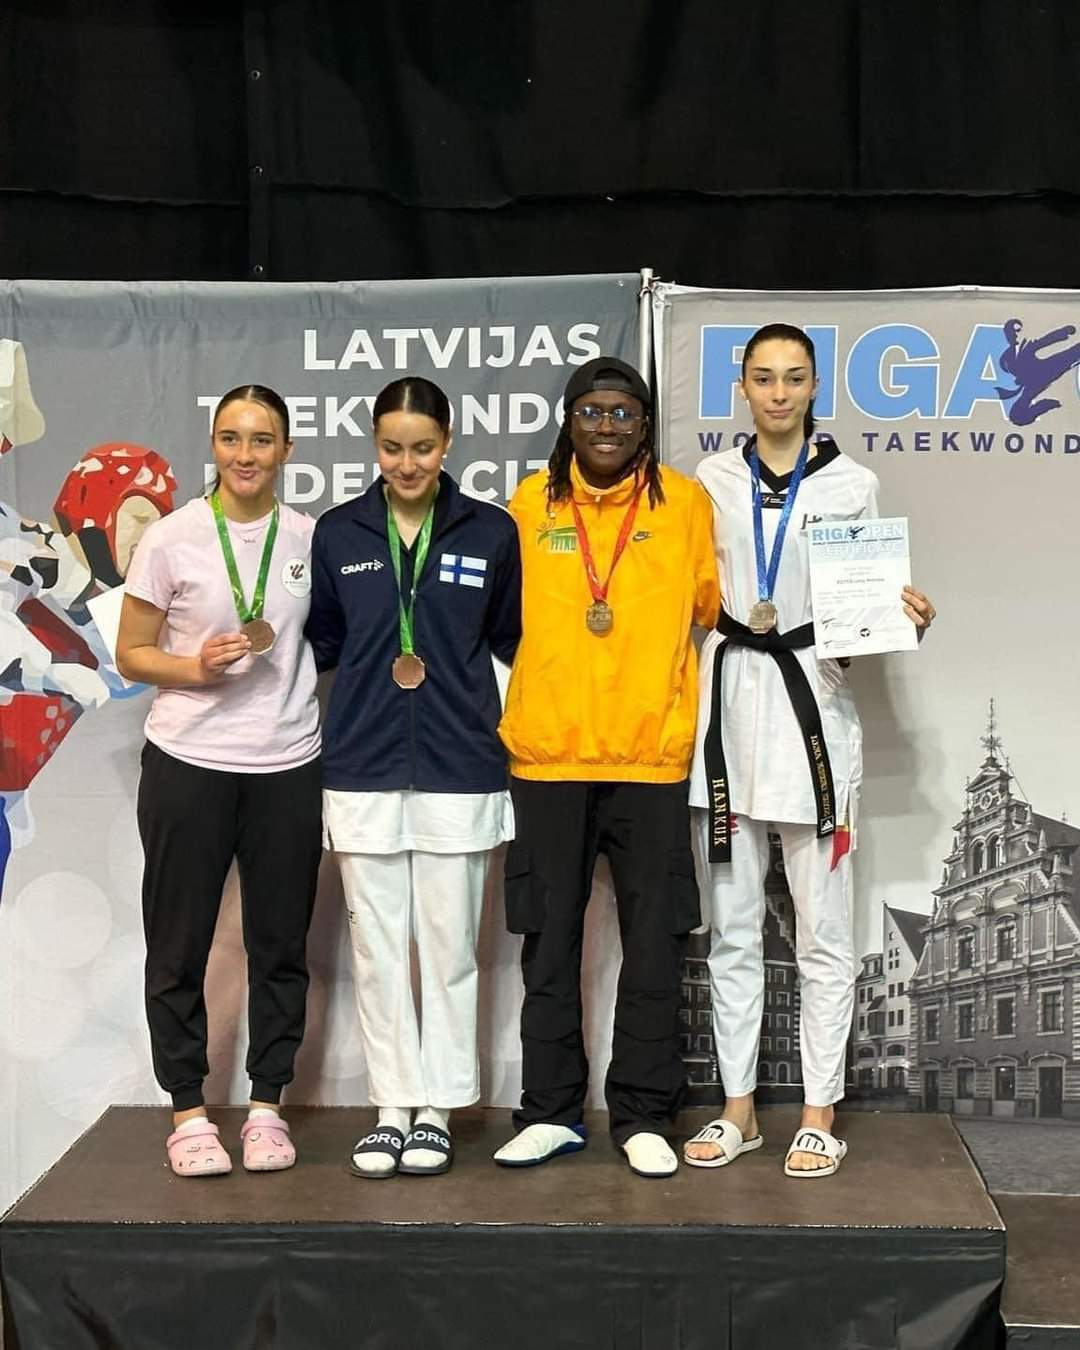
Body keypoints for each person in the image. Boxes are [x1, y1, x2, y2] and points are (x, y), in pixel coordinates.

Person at [681, 323, 935, 1178]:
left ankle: (820, 1111)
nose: (779, 392)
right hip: (724, 721)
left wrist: (899, 616)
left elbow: (854, 624)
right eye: (764, 378)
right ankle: (739, 1109)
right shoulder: (707, 482)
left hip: (814, 722)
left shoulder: (852, 484)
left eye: (794, 378)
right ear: (742, 389)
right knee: (733, 933)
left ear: (815, 386)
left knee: (824, 934)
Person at [493, 356, 720, 1179]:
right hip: (548, 757)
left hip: (651, 758)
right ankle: (550, 1111)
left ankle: (643, 1115)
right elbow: (497, 619)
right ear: (568, 419)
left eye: (624, 413)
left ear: (645, 423)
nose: (608, 426)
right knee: (547, 944)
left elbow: (715, 607)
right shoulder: (528, 504)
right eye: (593, 411)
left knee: (653, 944)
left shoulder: (685, 504)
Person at [306, 376, 521, 1180]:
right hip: (361, 762)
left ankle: (440, 1106)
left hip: (462, 765)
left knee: (449, 945)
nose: (406, 463)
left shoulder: (490, 533)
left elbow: (507, 641)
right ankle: (392, 1105)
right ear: (375, 446)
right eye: (392, 447)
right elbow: (325, 642)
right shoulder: (338, 533)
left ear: (449, 442)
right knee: (377, 945)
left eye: (422, 447)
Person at [118, 384, 321, 1177]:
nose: (246, 455)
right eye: (232, 439)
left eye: (262, 440)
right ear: (213, 444)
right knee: (178, 948)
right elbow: (133, 652)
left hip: (288, 767)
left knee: (281, 946)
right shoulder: (172, 537)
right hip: (187, 764)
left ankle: (268, 1105)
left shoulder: (308, 538)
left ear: (286, 452)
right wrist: (193, 669)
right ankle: (189, 1111)